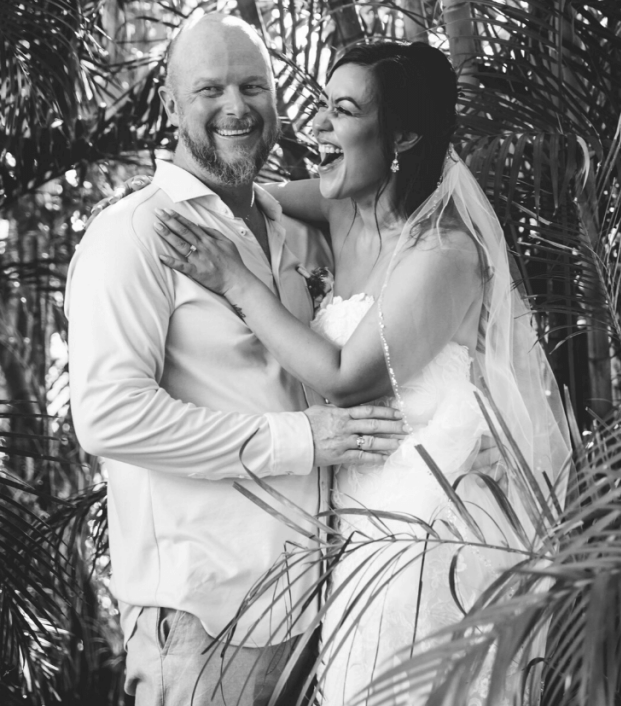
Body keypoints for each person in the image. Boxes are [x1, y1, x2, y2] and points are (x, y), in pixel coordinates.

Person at [151, 40, 572, 704]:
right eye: (321, 104)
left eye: (342, 110)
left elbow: (347, 375)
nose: (316, 125)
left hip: (430, 530)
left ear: (401, 134)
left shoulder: (446, 253)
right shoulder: (339, 203)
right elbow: (241, 201)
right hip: (359, 523)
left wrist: (237, 283)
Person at [65, 14, 409, 706]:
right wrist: (298, 440)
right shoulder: (131, 236)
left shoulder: (297, 226)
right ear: (169, 104)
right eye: (210, 89)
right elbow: (107, 417)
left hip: (320, 613)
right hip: (203, 625)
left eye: (253, 87)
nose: (236, 107)